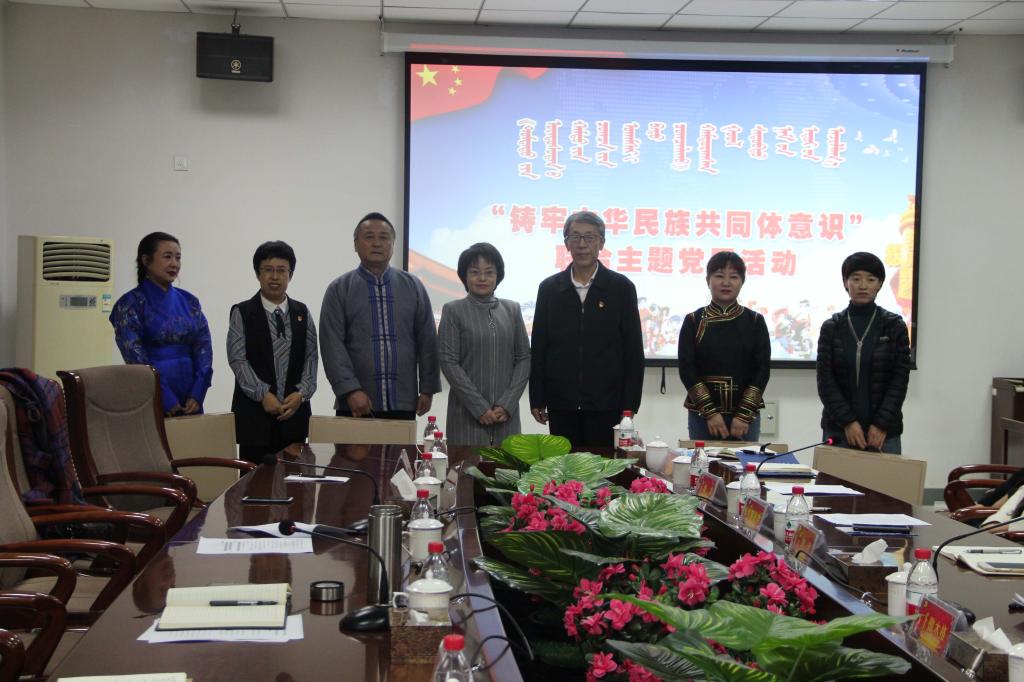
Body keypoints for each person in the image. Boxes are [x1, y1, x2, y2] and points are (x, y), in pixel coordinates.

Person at [529, 210, 645, 448]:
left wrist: (630, 404)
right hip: (561, 402)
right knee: (563, 467)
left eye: (590, 237)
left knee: (603, 466)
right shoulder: (550, 289)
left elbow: (633, 351)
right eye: (576, 237)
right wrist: (537, 398)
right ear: (566, 243)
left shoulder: (620, 288)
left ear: (601, 243)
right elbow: (539, 347)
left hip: (607, 403)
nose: (582, 244)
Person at [320, 212, 440, 420]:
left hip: (403, 400)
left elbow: (427, 340)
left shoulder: (413, 286)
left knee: (401, 445)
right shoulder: (339, 289)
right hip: (355, 403)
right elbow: (332, 345)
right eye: (369, 237)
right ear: (355, 244)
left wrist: (427, 389)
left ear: (393, 245)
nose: (377, 243)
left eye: (384, 237)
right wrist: (350, 390)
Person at [227, 241, 318, 463]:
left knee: (294, 478)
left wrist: (301, 393)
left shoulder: (301, 312)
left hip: (294, 414)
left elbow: (311, 357)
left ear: (291, 274)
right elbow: (237, 359)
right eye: (268, 270)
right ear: (258, 274)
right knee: (255, 480)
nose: (275, 277)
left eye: (281, 270)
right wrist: (263, 394)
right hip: (255, 416)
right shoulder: (243, 312)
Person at [816, 252, 911, 454]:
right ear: (845, 282)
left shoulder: (894, 326)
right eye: (856, 278)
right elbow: (825, 381)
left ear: (879, 284)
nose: (863, 286)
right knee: (834, 476)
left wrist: (881, 423)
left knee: (885, 477)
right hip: (839, 429)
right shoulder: (832, 327)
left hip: (884, 433)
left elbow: (899, 380)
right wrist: (848, 422)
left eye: (871, 279)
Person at [110, 231, 213, 416]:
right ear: (146, 260)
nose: (174, 264)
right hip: (151, 392)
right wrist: (163, 396)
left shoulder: (190, 302)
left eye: (178, 257)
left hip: (190, 392)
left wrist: (198, 391)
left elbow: (203, 348)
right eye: (167, 256)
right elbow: (135, 356)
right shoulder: (129, 304)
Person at [438, 243, 530, 446]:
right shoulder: (453, 310)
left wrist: (507, 404)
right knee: (465, 466)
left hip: (506, 416)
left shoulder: (512, 310)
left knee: (507, 465)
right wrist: (479, 407)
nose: (482, 278)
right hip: (466, 416)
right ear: (464, 276)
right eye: (474, 272)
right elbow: (448, 361)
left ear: (498, 276)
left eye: (489, 272)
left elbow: (524, 358)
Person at [678, 251, 770, 441]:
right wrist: (710, 413)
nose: (726, 283)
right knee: (703, 461)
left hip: (745, 418)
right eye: (719, 276)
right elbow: (687, 369)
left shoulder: (755, 321)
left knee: (746, 460)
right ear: (708, 280)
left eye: (734, 277)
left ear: (742, 282)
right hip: (702, 416)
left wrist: (743, 414)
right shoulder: (693, 320)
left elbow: (762, 369)